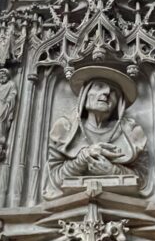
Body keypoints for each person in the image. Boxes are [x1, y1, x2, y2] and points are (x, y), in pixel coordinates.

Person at [45, 68, 147, 196]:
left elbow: (143, 181)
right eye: (99, 87)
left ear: (119, 102)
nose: (106, 93)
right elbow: (53, 179)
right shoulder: (65, 128)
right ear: (85, 94)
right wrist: (82, 160)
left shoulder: (132, 133)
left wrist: (113, 170)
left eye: (114, 91)